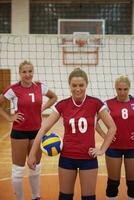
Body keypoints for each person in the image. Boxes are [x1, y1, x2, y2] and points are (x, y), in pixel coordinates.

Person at [27, 68, 116, 200]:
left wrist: (102, 149)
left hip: (88, 158)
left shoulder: (95, 103)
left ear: (86, 85)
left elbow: (112, 127)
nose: (78, 89)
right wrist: (32, 154)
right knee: (64, 197)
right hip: (67, 158)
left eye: (81, 85)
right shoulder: (62, 105)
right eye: (74, 85)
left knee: (89, 198)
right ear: (69, 85)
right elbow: (43, 129)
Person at [0, 60, 57, 200]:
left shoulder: (40, 87)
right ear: (20, 73)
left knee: (35, 167)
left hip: (37, 132)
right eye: (24, 72)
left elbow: (54, 97)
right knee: (18, 170)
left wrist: (43, 108)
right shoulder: (13, 89)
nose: (27, 74)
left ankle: (35, 196)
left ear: (33, 71)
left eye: (30, 71)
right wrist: (9, 117)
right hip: (19, 132)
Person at [98, 75, 134, 200]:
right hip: (113, 147)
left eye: (125, 89)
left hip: (132, 147)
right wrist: (105, 136)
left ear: (129, 88)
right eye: (119, 89)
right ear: (115, 88)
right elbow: (94, 121)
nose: (122, 92)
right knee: (113, 183)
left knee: (133, 184)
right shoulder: (107, 104)